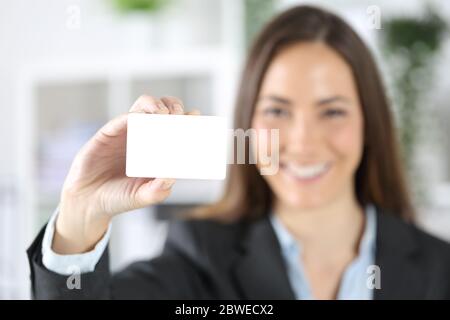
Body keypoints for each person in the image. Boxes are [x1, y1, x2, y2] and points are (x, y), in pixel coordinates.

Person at [27, 5, 450, 299]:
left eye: (333, 111)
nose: (302, 141)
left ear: (368, 124)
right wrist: (81, 218)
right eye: (278, 110)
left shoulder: (439, 267)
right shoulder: (200, 256)